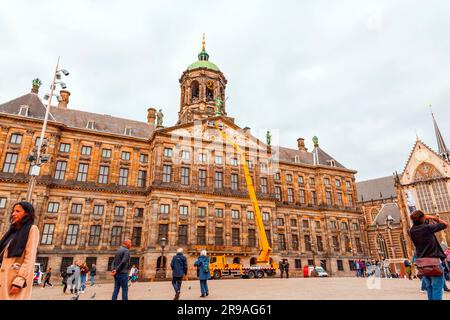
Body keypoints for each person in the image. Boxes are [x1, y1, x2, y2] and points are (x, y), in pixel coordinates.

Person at [0, 201, 39, 300]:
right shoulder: (12, 231)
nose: (13, 213)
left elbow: (29, 259)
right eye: (13, 211)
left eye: (17, 211)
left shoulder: (32, 229)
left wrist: (18, 282)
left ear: (27, 214)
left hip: (12, 280)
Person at [409, 210, 448, 300]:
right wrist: (433, 217)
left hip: (422, 264)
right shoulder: (427, 228)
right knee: (437, 288)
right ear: (423, 218)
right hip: (433, 262)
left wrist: (423, 218)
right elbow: (446, 224)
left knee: (429, 288)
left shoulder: (411, 231)